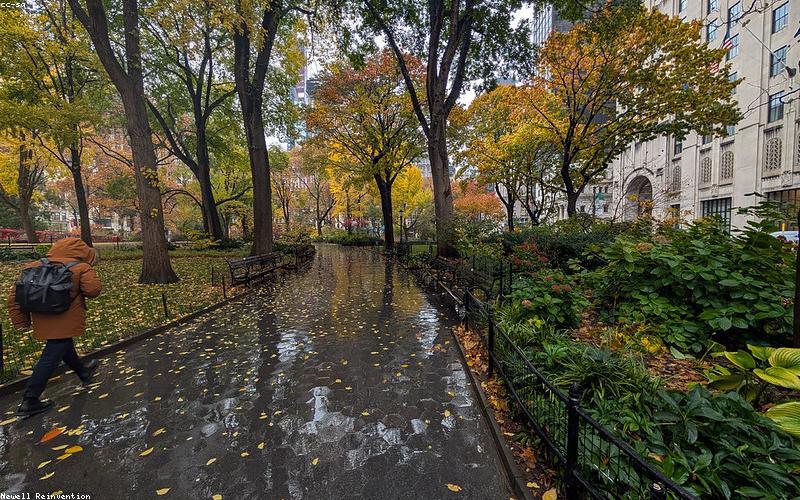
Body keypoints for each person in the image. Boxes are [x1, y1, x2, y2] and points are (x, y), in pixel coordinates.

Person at [7, 237, 102, 417]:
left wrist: (21, 321)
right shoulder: (80, 267)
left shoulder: (33, 266)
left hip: (42, 318)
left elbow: (14, 297)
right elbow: (93, 290)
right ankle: (30, 399)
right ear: (82, 252)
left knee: (62, 345)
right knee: (51, 356)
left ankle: (83, 371)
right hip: (66, 317)